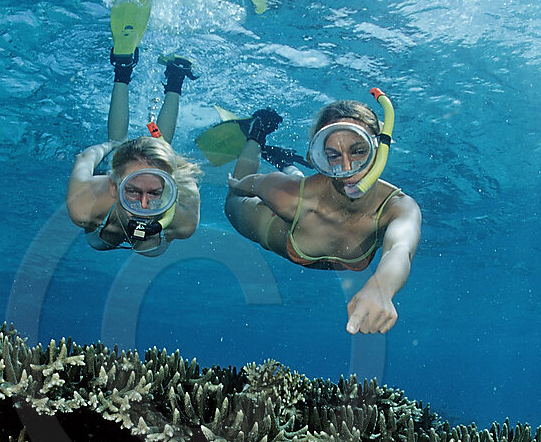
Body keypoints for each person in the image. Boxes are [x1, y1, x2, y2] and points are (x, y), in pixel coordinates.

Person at [222, 90, 421, 334]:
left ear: (379, 150)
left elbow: (400, 249)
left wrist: (382, 286)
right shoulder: (290, 196)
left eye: (359, 151)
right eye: (332, 156)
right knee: (230, 201)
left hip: (307, 195)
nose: (348, 169)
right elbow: (249, 184)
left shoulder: (398, 207)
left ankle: (287, 163)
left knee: (297, 183)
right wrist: (234, 184)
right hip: (279, 227)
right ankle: (257, 134)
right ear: (318, 157)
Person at [66, 46, 201, 257]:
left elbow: (186, 175)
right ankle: (126, 69)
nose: (144, 206)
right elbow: (84, 158)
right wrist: (108, 146)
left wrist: (170, 158)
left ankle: (172, 76)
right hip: (109, 205)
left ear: (168, 189)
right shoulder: (85, 205)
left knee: (164, 148)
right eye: (132, 191)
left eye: (155, 193)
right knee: (123, 142)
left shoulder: (184, 222)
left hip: (156, 205)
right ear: (114, 186)